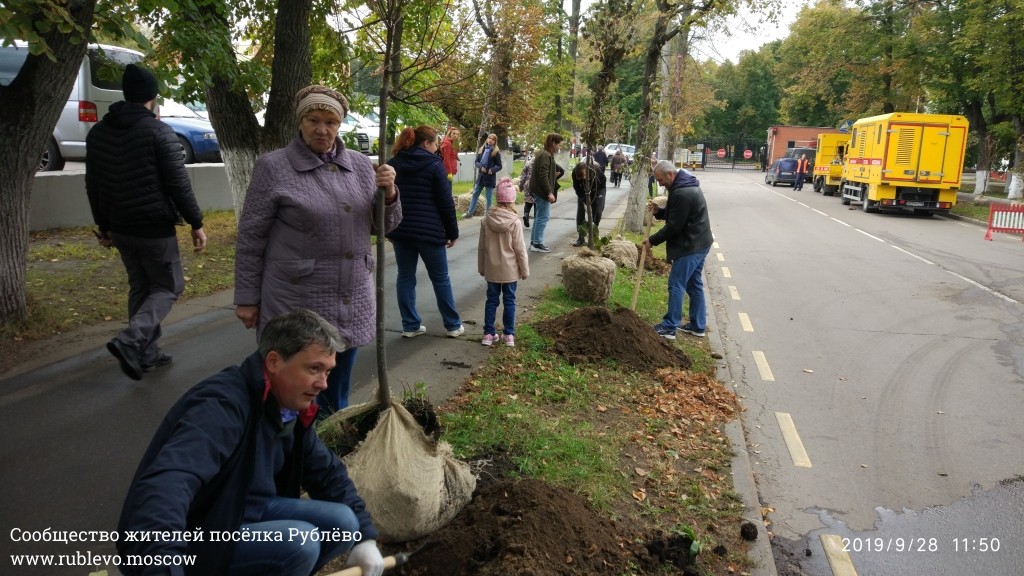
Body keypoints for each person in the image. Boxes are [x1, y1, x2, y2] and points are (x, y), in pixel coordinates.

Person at [117, 309, 385, 576]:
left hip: (245, 511)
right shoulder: (221, 406)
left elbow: (327, 473)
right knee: (299, 542)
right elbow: (169, 483)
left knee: (343, 523)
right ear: (274, 361)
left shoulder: (288, 407)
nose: (323, 384)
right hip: (195, 533)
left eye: (327, 371)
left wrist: (365, 538)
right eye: (314, 368)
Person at [234, 85, 401, 414]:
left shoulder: (360, 166)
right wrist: (247, 297)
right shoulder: (273, 167)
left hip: (350, 298)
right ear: (300, 121)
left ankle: (327, 442)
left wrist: (391, 193)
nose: (322, 129)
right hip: (297, 299)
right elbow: (252, 236)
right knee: (292, 391)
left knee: (335, 392)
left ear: (340, 125)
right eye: (313, 120)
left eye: (331, 122)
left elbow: (383, 227)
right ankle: (288, 442)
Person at [86, 63, 207, 381]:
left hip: (120, 227)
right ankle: (131, 340)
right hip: (153, 228)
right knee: (169, 286)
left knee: (141, 287)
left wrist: (104, 226)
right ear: (152, 96)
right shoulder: (158, 132)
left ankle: (146, 353)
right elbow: (178, 183)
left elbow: (92, 183)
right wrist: (196, 222)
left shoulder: (98, 132)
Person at [387, 126, 465, 338]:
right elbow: (445, 202)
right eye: (435, 143)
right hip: (429, 232)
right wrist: (452, 232)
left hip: (400, 230)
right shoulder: (434, 165)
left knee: (405, 277)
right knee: (440, 278)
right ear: (426, 143)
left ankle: (410, 325)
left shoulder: (393, 164)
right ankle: (452, 325)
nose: (437, 147)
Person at [644, 161, 713, 341]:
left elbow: (674, 226)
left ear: (670, 174)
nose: (660, 184)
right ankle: (698, 326)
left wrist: (652, 241)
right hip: (701, 242)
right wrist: (660, 212)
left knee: (676, 284)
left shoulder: (682, 192)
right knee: (693, 284)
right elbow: (678, 213)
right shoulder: (683, 185)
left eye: (660, 180)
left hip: (690, 246)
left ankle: (669, 326)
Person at [478, 177, 529, 347]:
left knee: (491, 300)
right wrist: (524, 270)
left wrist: (481, 267)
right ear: (512, 200)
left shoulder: (486, 220)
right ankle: (508, 335)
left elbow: (481, 247)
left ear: (497, 199)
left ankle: (488, 334)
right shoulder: (515, 222)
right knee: (509, 301)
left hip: (492, 269)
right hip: (510, 270)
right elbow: (520, 249)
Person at [528, 133, 564, 253]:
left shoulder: (543, 154)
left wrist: (553, 175)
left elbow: (544, 173)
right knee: (543, 216)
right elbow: (542, 175)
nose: (559, 147)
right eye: (559, 145)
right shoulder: (546, 155)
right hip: (542, 191)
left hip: (538, 190)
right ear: (553, 143)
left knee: (539, 216)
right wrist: (549, 192)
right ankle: (537, 243)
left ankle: (534, 242)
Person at [463, 133, 503, 217]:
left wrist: (492, 170)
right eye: (489, 138)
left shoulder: (495, 152)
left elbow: (499, 166)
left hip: (489, 178)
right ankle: (470, 213)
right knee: (475, 194)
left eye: (493, 139)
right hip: (481, 177)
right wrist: (481, 167)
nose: (490, 140)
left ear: (495, 142)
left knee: (489, 197)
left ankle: (488, 215)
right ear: (487, 139)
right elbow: (476, 161)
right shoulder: (482, 149)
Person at [571, 161, 606, 247]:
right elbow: (576, 186)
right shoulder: (575, 172)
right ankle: (581, 237)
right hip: (584, 192)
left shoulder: (595, 170)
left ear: (587, 170)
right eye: (580, 177)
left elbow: (603, 181)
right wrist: (583, 197)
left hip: (598, 190)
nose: (582, 178)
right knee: (580, 213)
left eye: (583, 176)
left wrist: (595, 196)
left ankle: (593, 235)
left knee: (598, 212)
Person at [519, 151, 533, 228]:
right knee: (536, 202)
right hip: (537, 185)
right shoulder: (540, 163)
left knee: (528, 201)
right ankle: (537, 219)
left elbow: (523, 176)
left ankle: (526, 214)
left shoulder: (528, 163)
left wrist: (521, 186)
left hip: (528, 184)